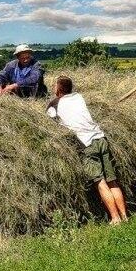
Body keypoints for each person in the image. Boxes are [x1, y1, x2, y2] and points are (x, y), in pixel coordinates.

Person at [46, 75, 128, 224]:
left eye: (54, 86)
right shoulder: (79, 97)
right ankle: (125, 217)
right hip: (101, 139)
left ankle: (115, 219)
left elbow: (50, 120)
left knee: (100, 182)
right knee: (112, 181)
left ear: (58, 89)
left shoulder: (54, 104)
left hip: (87, 143)